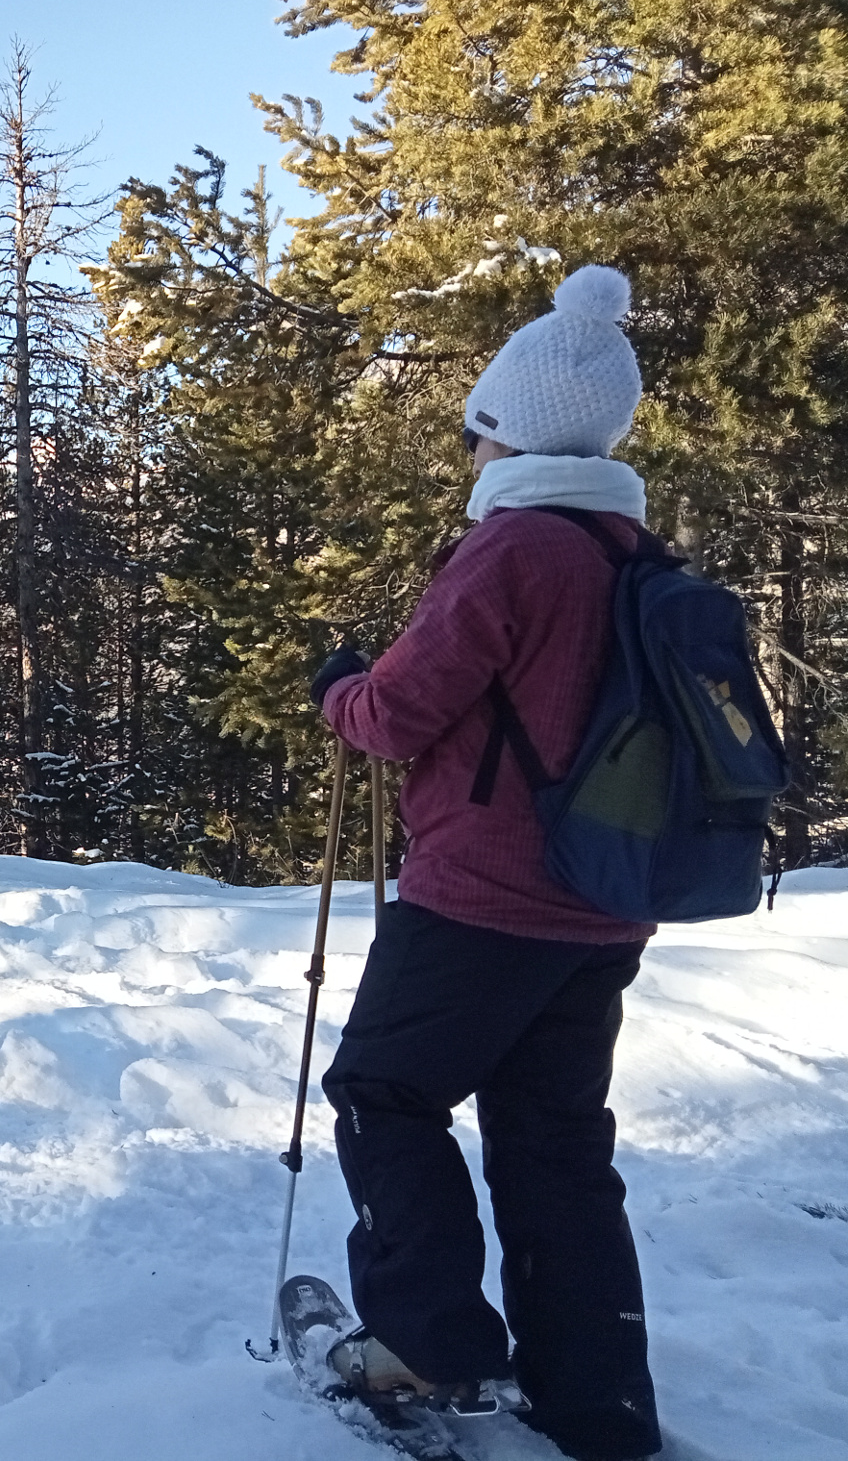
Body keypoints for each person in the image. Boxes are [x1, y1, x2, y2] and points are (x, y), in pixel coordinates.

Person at [310, 266, 662, 1461]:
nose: (469, 457)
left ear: (505, 430)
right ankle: (597, 1394)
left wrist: (337, 690)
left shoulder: (512, 550)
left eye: (476, 433)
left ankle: (426, 1342)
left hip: (481, 898)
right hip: (602, 908)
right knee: (554, 1141)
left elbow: (396, 715)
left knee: (383, 1093)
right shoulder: (629, 555)